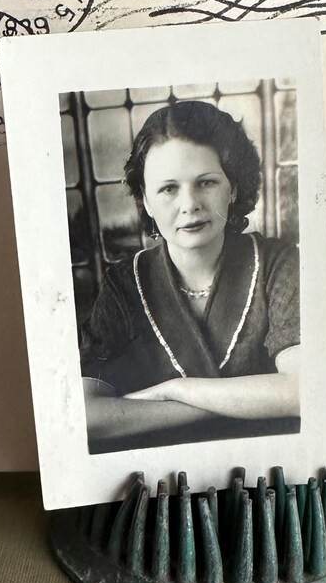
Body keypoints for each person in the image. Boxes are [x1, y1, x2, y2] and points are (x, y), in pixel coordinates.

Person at [80, 99, 301, 452]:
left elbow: (302, 392)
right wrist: (231, 404)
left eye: (207, 182)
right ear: (146, 201)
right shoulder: (123, 285)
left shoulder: (278, 264)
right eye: (169, 188)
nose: (190, 204)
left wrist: (176, 389)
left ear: (233, 187)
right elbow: (84, 416)